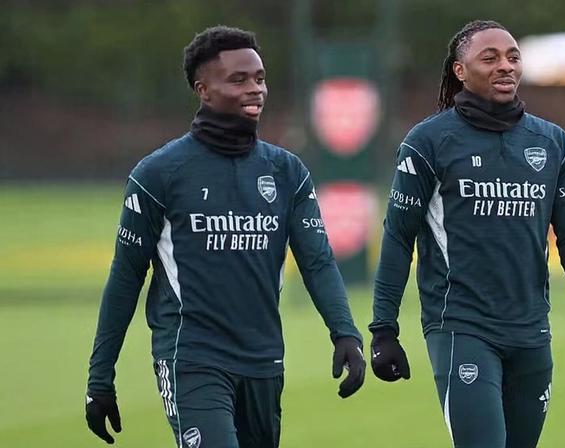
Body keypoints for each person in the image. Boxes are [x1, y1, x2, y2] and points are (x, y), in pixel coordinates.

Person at [85, 25, 365, 448]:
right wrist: (100, 376)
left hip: (264, 361)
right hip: (191, 360)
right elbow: (126, 278)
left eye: (260, 78)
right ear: (203, 90)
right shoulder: (158, 175)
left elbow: (318, 261)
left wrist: (345, 333)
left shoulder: (286, 172)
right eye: (239, 80)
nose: (256, 90)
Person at [369, 20, 565, 447]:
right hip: (460, 327)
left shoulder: (552, 142)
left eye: (512, 57)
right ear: (459, 71)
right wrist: (383, 329)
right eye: (490, 58)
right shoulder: (428, 142)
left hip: (531, 331)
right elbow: (397, 238)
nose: (505, 66)